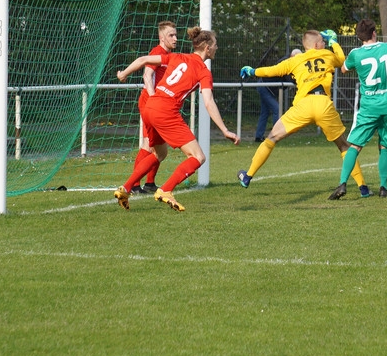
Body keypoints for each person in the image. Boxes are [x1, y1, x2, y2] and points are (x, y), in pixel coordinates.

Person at [113, 26, 240, 212]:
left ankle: (125, 188)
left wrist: (123, 73)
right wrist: (225, 130)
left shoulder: (177, 56)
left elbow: (143, 59)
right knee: (198, 156)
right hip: (166, 111)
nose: (216, 48)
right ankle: (166, 190)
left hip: (150, 106)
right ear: (206, 48)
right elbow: (209, 102)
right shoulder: (203, 71)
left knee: (159, 154)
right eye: (215, 45)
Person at [238, 32, 370, 196]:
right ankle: (363, 188)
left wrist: (252, 71)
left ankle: (248, 176)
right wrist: (334, 42)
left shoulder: (295, 60)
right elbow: (342, 60)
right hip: (323, 104)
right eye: (323, 41)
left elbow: (272, 71)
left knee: (271, 138)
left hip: (303, 106)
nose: (324, 43)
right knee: (344, 146)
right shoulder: (327, 54)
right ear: (316, 45)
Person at [329, 19, 387, 199]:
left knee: (354, 145)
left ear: (359, 36)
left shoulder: (356, 54)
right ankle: (384, 188)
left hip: (369, 106)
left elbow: (344, 69)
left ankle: (342, 184)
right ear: (374, 32)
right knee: (384, 145)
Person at [130, 21, 179, 194]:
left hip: (159, 104)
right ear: (161, 37)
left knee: (159, 145)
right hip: (148, 102)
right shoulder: (157, 52)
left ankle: (150, 183)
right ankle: (134, 185)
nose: (175, 38)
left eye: (175, 34)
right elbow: (147, 75)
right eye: (171, 35)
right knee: (147, 145)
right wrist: (153, 99)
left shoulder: (170, 55)